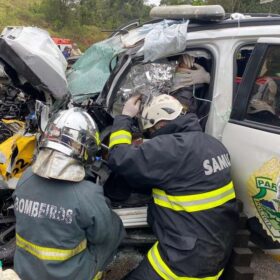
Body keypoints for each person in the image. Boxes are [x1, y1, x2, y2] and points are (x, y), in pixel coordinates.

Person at [108, 94, 239, 280]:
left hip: (184, 261)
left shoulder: (171, 148)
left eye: (151, 131)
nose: (151, 136)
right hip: (217, 253)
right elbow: (184, 179)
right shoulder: (215, 145)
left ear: (160, 123)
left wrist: (125, 117)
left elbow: (118, 157)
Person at [13, 108, 125, 280]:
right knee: (115, 228)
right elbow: (103, 235)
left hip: (25, 271)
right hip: (68, 276)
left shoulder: (25, 178)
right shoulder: (88, 194)